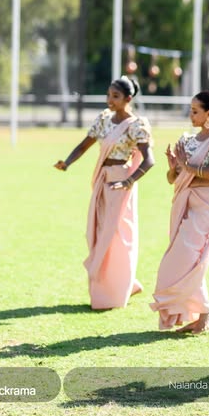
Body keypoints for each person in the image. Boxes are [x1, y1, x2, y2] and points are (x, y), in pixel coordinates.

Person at [54, 76, 155, 310]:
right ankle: (119, 285)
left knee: (118, 235)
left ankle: (118, 290)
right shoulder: (104, 119)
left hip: (121, 183)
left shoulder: (136, 125)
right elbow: (84, 145)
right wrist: (67, 163)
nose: (110, 100)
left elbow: (149, 160)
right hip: (103, 180)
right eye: (109, 95)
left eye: (115, 96)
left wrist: (129, 181)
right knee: (99, 232)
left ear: (128, 99)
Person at [149, 87, 209, 333]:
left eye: (195, 111)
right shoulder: (186, 140)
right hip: (182, 202)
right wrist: (174, 167)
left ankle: (205, 312)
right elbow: (172, 179)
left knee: (185, 258)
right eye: (190, 110)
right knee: (184, 260)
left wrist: (188, 167)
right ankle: (199, 313)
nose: (191, 115)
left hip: (205, 205)